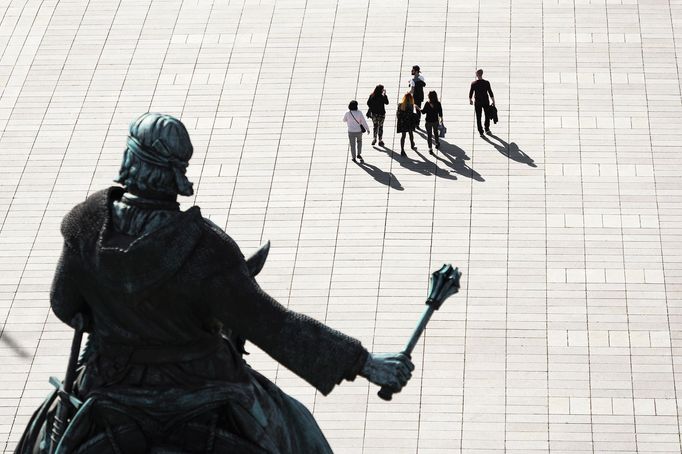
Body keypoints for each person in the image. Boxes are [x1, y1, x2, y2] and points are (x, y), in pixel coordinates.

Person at [16, 113, 414, 454]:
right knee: (300, 427)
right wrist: (365, 363)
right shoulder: (205, 246)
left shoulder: (87, 224)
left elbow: (64, 305)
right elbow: (271, 325)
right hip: (205, 389)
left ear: (129, 160)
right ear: (177, 174)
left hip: (108, 385)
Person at [469, 68, 495, 137]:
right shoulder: (486, 83)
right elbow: (490, 92)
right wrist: (493, 101)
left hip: (478, 102)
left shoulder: (474, 83)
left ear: (477, 75)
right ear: (482, 74)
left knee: (478, 117)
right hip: (486, 101)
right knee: (487, 115)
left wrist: (470, 100)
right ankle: (487, 128)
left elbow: (471, 93)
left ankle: (481, 131)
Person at [396, 92, 417, 156]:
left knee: (403, 136)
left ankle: (402, 150)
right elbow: (411, 114)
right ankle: (412, 145)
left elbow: (398, 114)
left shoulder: (400, 105)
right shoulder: (411, 105)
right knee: (411, 134)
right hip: (409, 122)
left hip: (402, 123)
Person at [408, 65, 426, 129]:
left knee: (412, 110)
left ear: (416, 71)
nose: (411, 71)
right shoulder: (421, 77)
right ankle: (417, 124)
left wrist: (407, 93)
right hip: (420, 96)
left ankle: (414, 124)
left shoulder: (413, 80)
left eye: (413, 70)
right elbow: (423, 84)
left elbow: (412, 90)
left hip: (415, 97)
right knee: (418, 110)